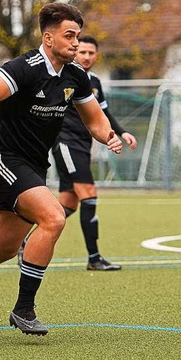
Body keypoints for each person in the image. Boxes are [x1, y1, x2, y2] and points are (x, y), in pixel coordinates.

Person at [0, 2, 123, 337]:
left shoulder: (75, 76)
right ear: (48, 38)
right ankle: (24, 308)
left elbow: (94, 120)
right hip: (5, 159)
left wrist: (109, 135)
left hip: (33, 165)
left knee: (2, 246)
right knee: (54, 217)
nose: (76, 43)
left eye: (77, 36)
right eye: (69, 36)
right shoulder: (24, 67)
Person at [51, 35, 137, 270]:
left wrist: (121, 132)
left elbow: (103, 113)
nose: (87, 57)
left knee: (68, 204)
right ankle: (94, 258)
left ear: (96, 55)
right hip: (65, 144)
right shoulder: (63, 77)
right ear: (75, 53)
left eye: (91, 53)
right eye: (83, 52)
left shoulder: (95, 81)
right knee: (89, 194)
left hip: (83, 145)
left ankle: (23, 242)